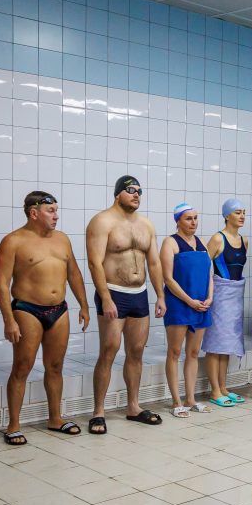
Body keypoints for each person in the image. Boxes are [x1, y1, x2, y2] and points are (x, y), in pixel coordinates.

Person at [0, 191, 90, 444]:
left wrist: (84, 305)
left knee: (55, 366)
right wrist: (8, 320)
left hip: (59, 310)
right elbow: (1, 284)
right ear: (34, 213)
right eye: (51, 211)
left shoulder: (62, 239)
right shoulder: (13, 241)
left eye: (57, 210)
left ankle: (55, 418)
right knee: (22, 367)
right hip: (27, 310)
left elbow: (74, 273)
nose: (56, 216)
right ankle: (13, 425)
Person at [87, 175, 164, 432]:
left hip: (139, 294)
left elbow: (154, 262)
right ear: (118, 193)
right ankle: (98, 411)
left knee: (137, 351)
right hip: (113, 292)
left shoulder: (146, 224)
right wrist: (106, 298)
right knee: (109, 350)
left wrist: (160, 295)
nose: (136, 194)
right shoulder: (102, 221)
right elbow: (95, 263)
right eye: (131, 190)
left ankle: (133, 406)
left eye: (140, 191)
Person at [160, 203, 214, 418]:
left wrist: (210, 297)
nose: (193, 222)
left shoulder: (202, 243)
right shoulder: (170, 243)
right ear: (178, 221)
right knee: (174, 353)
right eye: (188, 218)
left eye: (195, 218)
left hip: (201, 305)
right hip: (179, 305)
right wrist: (190, 301)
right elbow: (168, 279)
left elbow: (209, 275)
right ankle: (176, 401)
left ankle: (191, 399)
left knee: (193, 353)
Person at [203, 198, 247, 408]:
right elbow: (204, 268)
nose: (242, 216)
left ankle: (223, 386)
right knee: (215, 344)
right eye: (238, 212)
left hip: (236, 296)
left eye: (243, 212)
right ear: (227, 215)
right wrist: (207, 295)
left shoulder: (244, 241)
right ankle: (214, 390)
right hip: (220, 296)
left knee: (228, 342)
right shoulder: (217, 239)